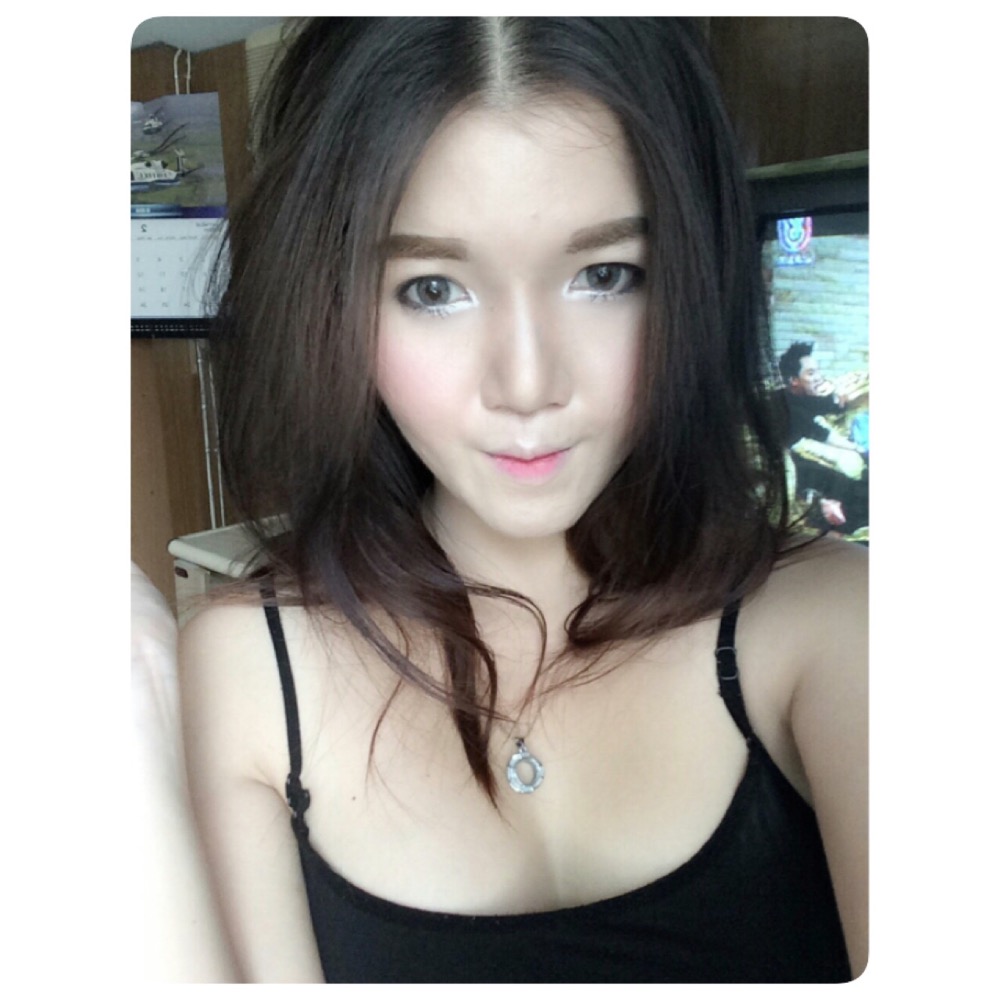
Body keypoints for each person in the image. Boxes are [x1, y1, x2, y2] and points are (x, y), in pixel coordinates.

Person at [175, 17, 867, 983]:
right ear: (332, 304)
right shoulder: (252, 667)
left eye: (605, 276)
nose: (528, 385)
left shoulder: (834, 623)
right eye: (432, 289)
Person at [778, 341, 869, 535]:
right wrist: (857, 449)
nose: (819, 377)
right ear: (794, 380)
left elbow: (825, 406)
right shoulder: (786, 406)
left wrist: (840, 402)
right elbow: (821, 433)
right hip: (800, 466)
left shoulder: (802, 398)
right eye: (811, 373)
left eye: (818, 371)